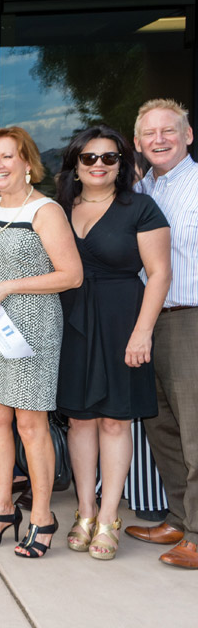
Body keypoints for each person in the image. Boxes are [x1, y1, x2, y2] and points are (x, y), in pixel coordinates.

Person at [0, 126, 83, 559]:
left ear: (27, 163)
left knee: (31, 424)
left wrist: (9, 285)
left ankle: (43, 515)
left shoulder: (46, 211)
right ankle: (2, 508)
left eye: (7, 157)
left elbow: (71, 275)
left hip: (32, 327)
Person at [53, 125, 170, 560]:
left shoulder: (140, 207)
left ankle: (108, 517)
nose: (99, 164)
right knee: (80, 419)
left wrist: (142, 331)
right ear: (75, 165)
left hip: (124, 318)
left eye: (109, 157)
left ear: (122, 164)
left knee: (116, 420)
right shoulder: (59, 208)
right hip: (71, 321)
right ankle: (83, 511)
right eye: (90, 157)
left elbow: (159, 273)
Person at [127, 99, 198, 570]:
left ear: (187, 135)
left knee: (195, 434)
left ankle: (197, 534)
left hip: (192, 319)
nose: (158, 139)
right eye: (149, 133)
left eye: (167, 131)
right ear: (137, 143)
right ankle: (178, 518)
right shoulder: (139, 190)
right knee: (162, 427)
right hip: (147, 321)